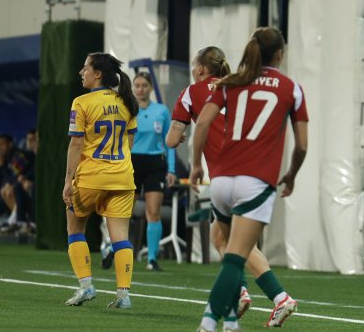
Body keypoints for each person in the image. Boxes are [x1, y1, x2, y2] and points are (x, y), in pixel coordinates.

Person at [190, 27, 308, 331]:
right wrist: (292, 176)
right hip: (255, 182)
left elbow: (202, 123)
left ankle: (230, 322)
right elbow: (303, 144)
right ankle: (208, 323)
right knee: (235, 257)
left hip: (221, 181)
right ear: (280, 54)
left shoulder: (231, 82)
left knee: (223, 242)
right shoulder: (290, 88)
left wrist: (195, 165)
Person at [168, 46, 258, 318]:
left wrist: (182, 138)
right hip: (253, 168)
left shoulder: (191, 93)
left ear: (199, 69)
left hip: (224, 174)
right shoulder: (238, 87)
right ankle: (241, 290)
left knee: (234, 240)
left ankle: (276, 296)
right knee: (225, 236)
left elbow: (171, 140)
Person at [62, 52, 139, 309]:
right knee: (120, 238)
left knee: (75, 229)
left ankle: (86, 287)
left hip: (91, 176)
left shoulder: (82, 102)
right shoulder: (126, 100)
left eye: (85, 68)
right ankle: (123, 295)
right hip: (123, 178)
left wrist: (67, 180)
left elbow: (76, 143)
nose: (80, 72)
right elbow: (130, 141)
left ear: (97, 73)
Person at [126, 71, 176, 271]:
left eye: (144, 85)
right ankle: (114, 249)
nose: (140, 89)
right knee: (124, 212)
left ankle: (152, 258)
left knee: (153, 212)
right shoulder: (128, 108)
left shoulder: (162, 111)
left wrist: (171, 169)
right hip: (132, 162)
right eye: (137, 85)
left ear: (151, 88)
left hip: (155, 163)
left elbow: (170, 142)